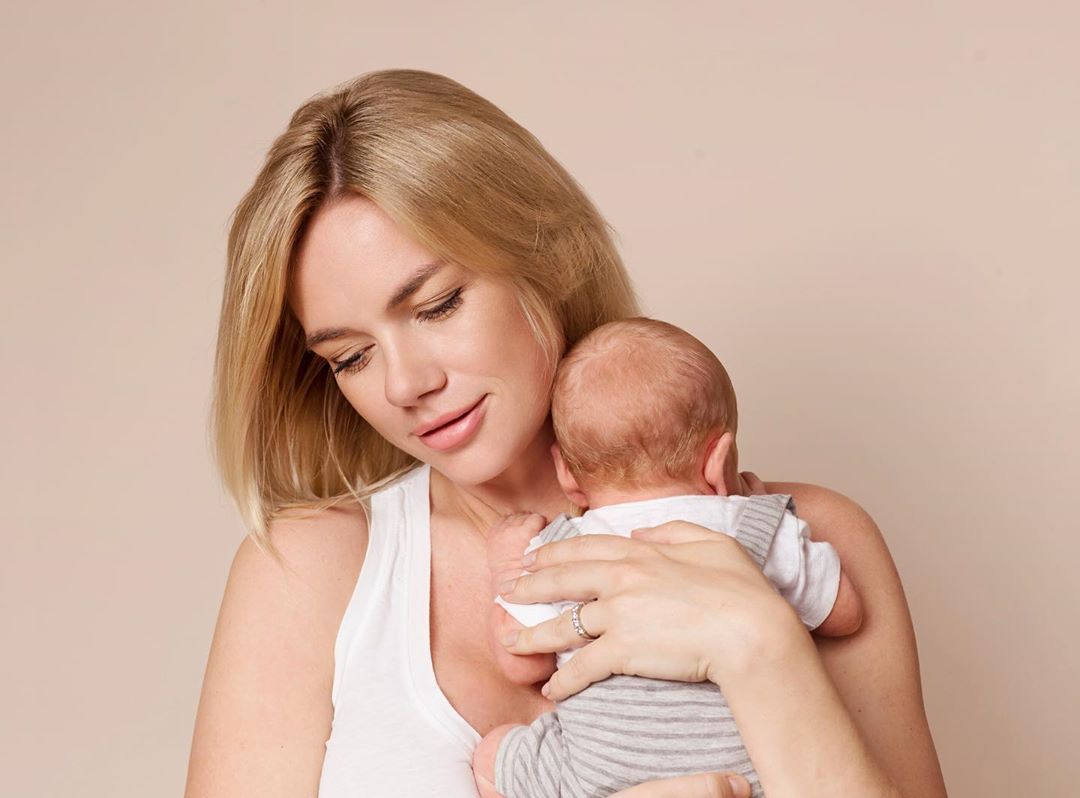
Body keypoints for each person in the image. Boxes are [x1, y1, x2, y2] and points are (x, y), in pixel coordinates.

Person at [184, 68, 947, 798]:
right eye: (351, 357)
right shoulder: (312, 574)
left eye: (438, 305)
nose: (403, 385)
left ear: (546, 258)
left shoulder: (813, 539)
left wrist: (763, 649)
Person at [474, 317, 864, 797]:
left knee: (493, 755)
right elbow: (846, 614)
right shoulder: (756, 526)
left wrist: (508, 568)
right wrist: (769, 525)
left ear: (566, 474)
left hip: (594, 778)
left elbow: (521, 664)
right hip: (750, 776)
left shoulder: (560, 551)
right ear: (720, 460)